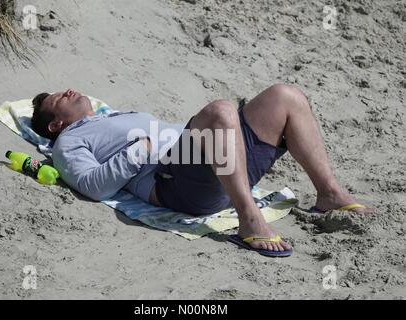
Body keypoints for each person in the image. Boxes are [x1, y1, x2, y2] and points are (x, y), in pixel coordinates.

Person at [31, 85, 371, 257]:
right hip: (175, 182)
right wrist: (139, 151)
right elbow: (92, 185)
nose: (68, 91)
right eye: (59, 99)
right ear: (56, 124)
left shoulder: (113, 116)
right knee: (221, 110)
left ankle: (329, 194)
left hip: (219, 161)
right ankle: (249, 218)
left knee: (287, 96)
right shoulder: (68, 143)